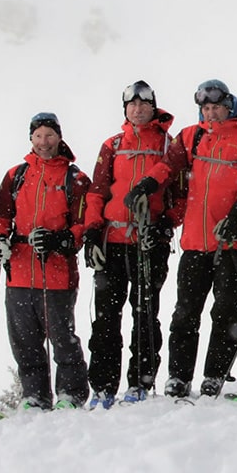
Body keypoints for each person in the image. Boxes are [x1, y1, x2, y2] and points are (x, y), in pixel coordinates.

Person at [123, 79, 237, 399]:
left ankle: (215, 375)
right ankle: (178, 377)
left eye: (216, 107)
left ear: (229, 104)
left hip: (233, 241)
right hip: (194, 241)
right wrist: (147, 185)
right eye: (206, 108)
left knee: (226, 311)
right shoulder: (191, 136)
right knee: (185, 313)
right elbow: (168, 166)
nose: (212, 113)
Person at [82, 81, 182, 408]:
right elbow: (97, 190)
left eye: (144, 104)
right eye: (132, 104)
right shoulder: (112, 145)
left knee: (144, 314)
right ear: (125, 109)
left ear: (154, 107)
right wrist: (92, 231)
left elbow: (181, 195)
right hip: (113, 241)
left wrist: (166, 225)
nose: (138, 109)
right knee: (107, 317)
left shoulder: (170, 145)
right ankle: (103, 387)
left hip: (148, 241)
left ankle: (140, 381)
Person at [0, 113, 91, 410]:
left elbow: (83, 224)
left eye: (49, 136)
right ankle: (34, 396)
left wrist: (60, 240)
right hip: (19, 271)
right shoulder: (16, 175)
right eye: (38, 136)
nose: (44, 142)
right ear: (30, 139)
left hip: (57, 272)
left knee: (62, 338)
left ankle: (71, 393)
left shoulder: (75, 178)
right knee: (25, 342)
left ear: (59, 137)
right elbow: (1, 215)